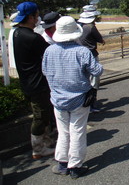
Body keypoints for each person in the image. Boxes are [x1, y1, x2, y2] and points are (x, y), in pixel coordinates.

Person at [42, 16, 103, 179]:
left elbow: (45, 71)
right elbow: (97, 71)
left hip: (57, 98)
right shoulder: (82, 51)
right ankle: (75, 166)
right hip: (79, 98)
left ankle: (62, 163)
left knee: (63, 132)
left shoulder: (49, 50)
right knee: (77, 131)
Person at [12, 2, 55, 159]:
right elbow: (51, 54)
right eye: (37, 15)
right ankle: (38, 148)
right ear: (30, 17)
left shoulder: (17, 33)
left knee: (41, 113)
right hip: (38, 83)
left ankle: (46, 141)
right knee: (41, 116)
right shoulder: (33, 38)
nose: (38, 18)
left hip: (26, 82)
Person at [77, 6, 105, 112]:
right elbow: (100, 39)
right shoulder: (91, 27)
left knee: (83, 79)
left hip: (79, 55)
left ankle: (83, 103)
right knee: (94, 80)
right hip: (91, 54)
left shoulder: (79, 26)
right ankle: (91, 104)